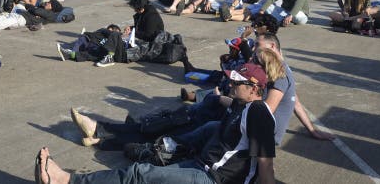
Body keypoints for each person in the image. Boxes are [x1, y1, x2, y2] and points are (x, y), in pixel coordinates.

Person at [33, 62, 277, 184]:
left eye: (237, 83)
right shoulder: (240, 103)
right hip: (201, 164)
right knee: (193, 126)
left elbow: (265, 166)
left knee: (140, 173)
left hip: (213, 179)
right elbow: (220, 111)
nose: (231, 85)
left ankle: (67, 181)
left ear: (255, 88)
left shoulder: (258, 114)